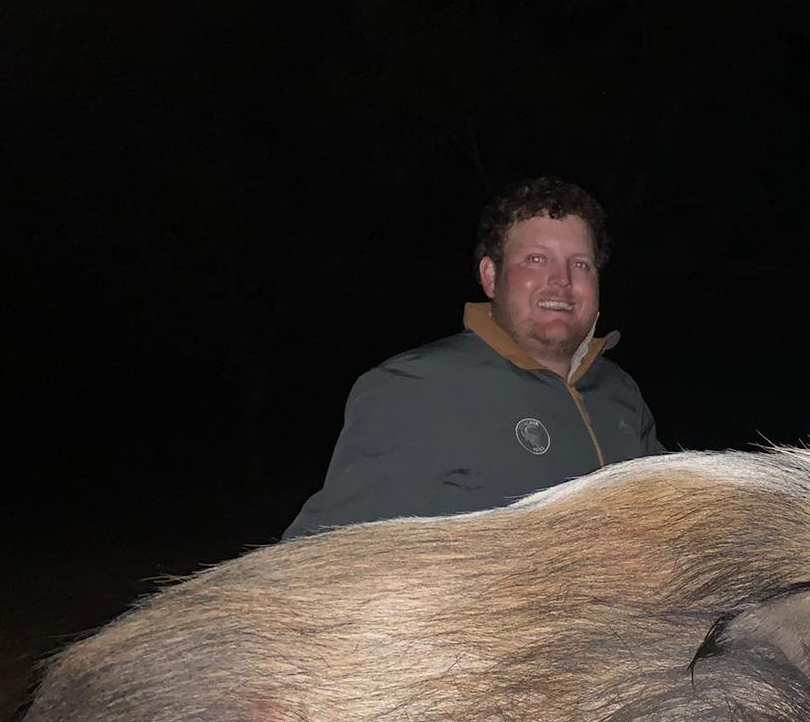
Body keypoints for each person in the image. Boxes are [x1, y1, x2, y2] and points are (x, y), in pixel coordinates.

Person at [284, 176, 663, 539]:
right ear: (490, 276)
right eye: (535, 259)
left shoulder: (620, 393)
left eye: (580, 264)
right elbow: (322, 560)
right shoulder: (417, 388)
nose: (562, 280)